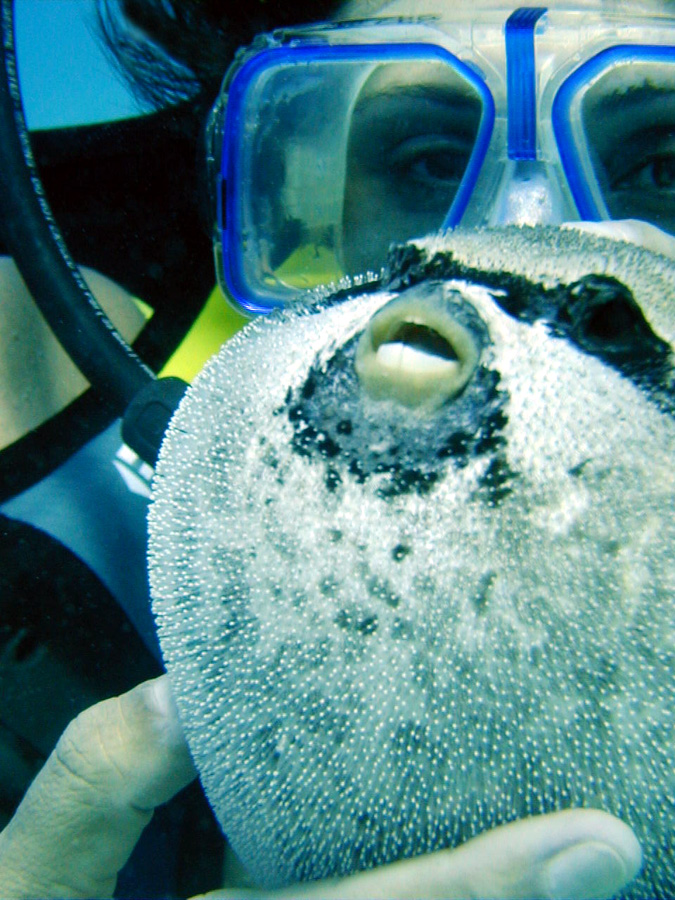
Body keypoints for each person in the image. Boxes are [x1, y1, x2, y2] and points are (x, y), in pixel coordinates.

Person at [1, 0, 673, 895]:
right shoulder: (31, 383)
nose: (531, 244)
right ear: (288, 174)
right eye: (429, 160)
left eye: (663, 166)